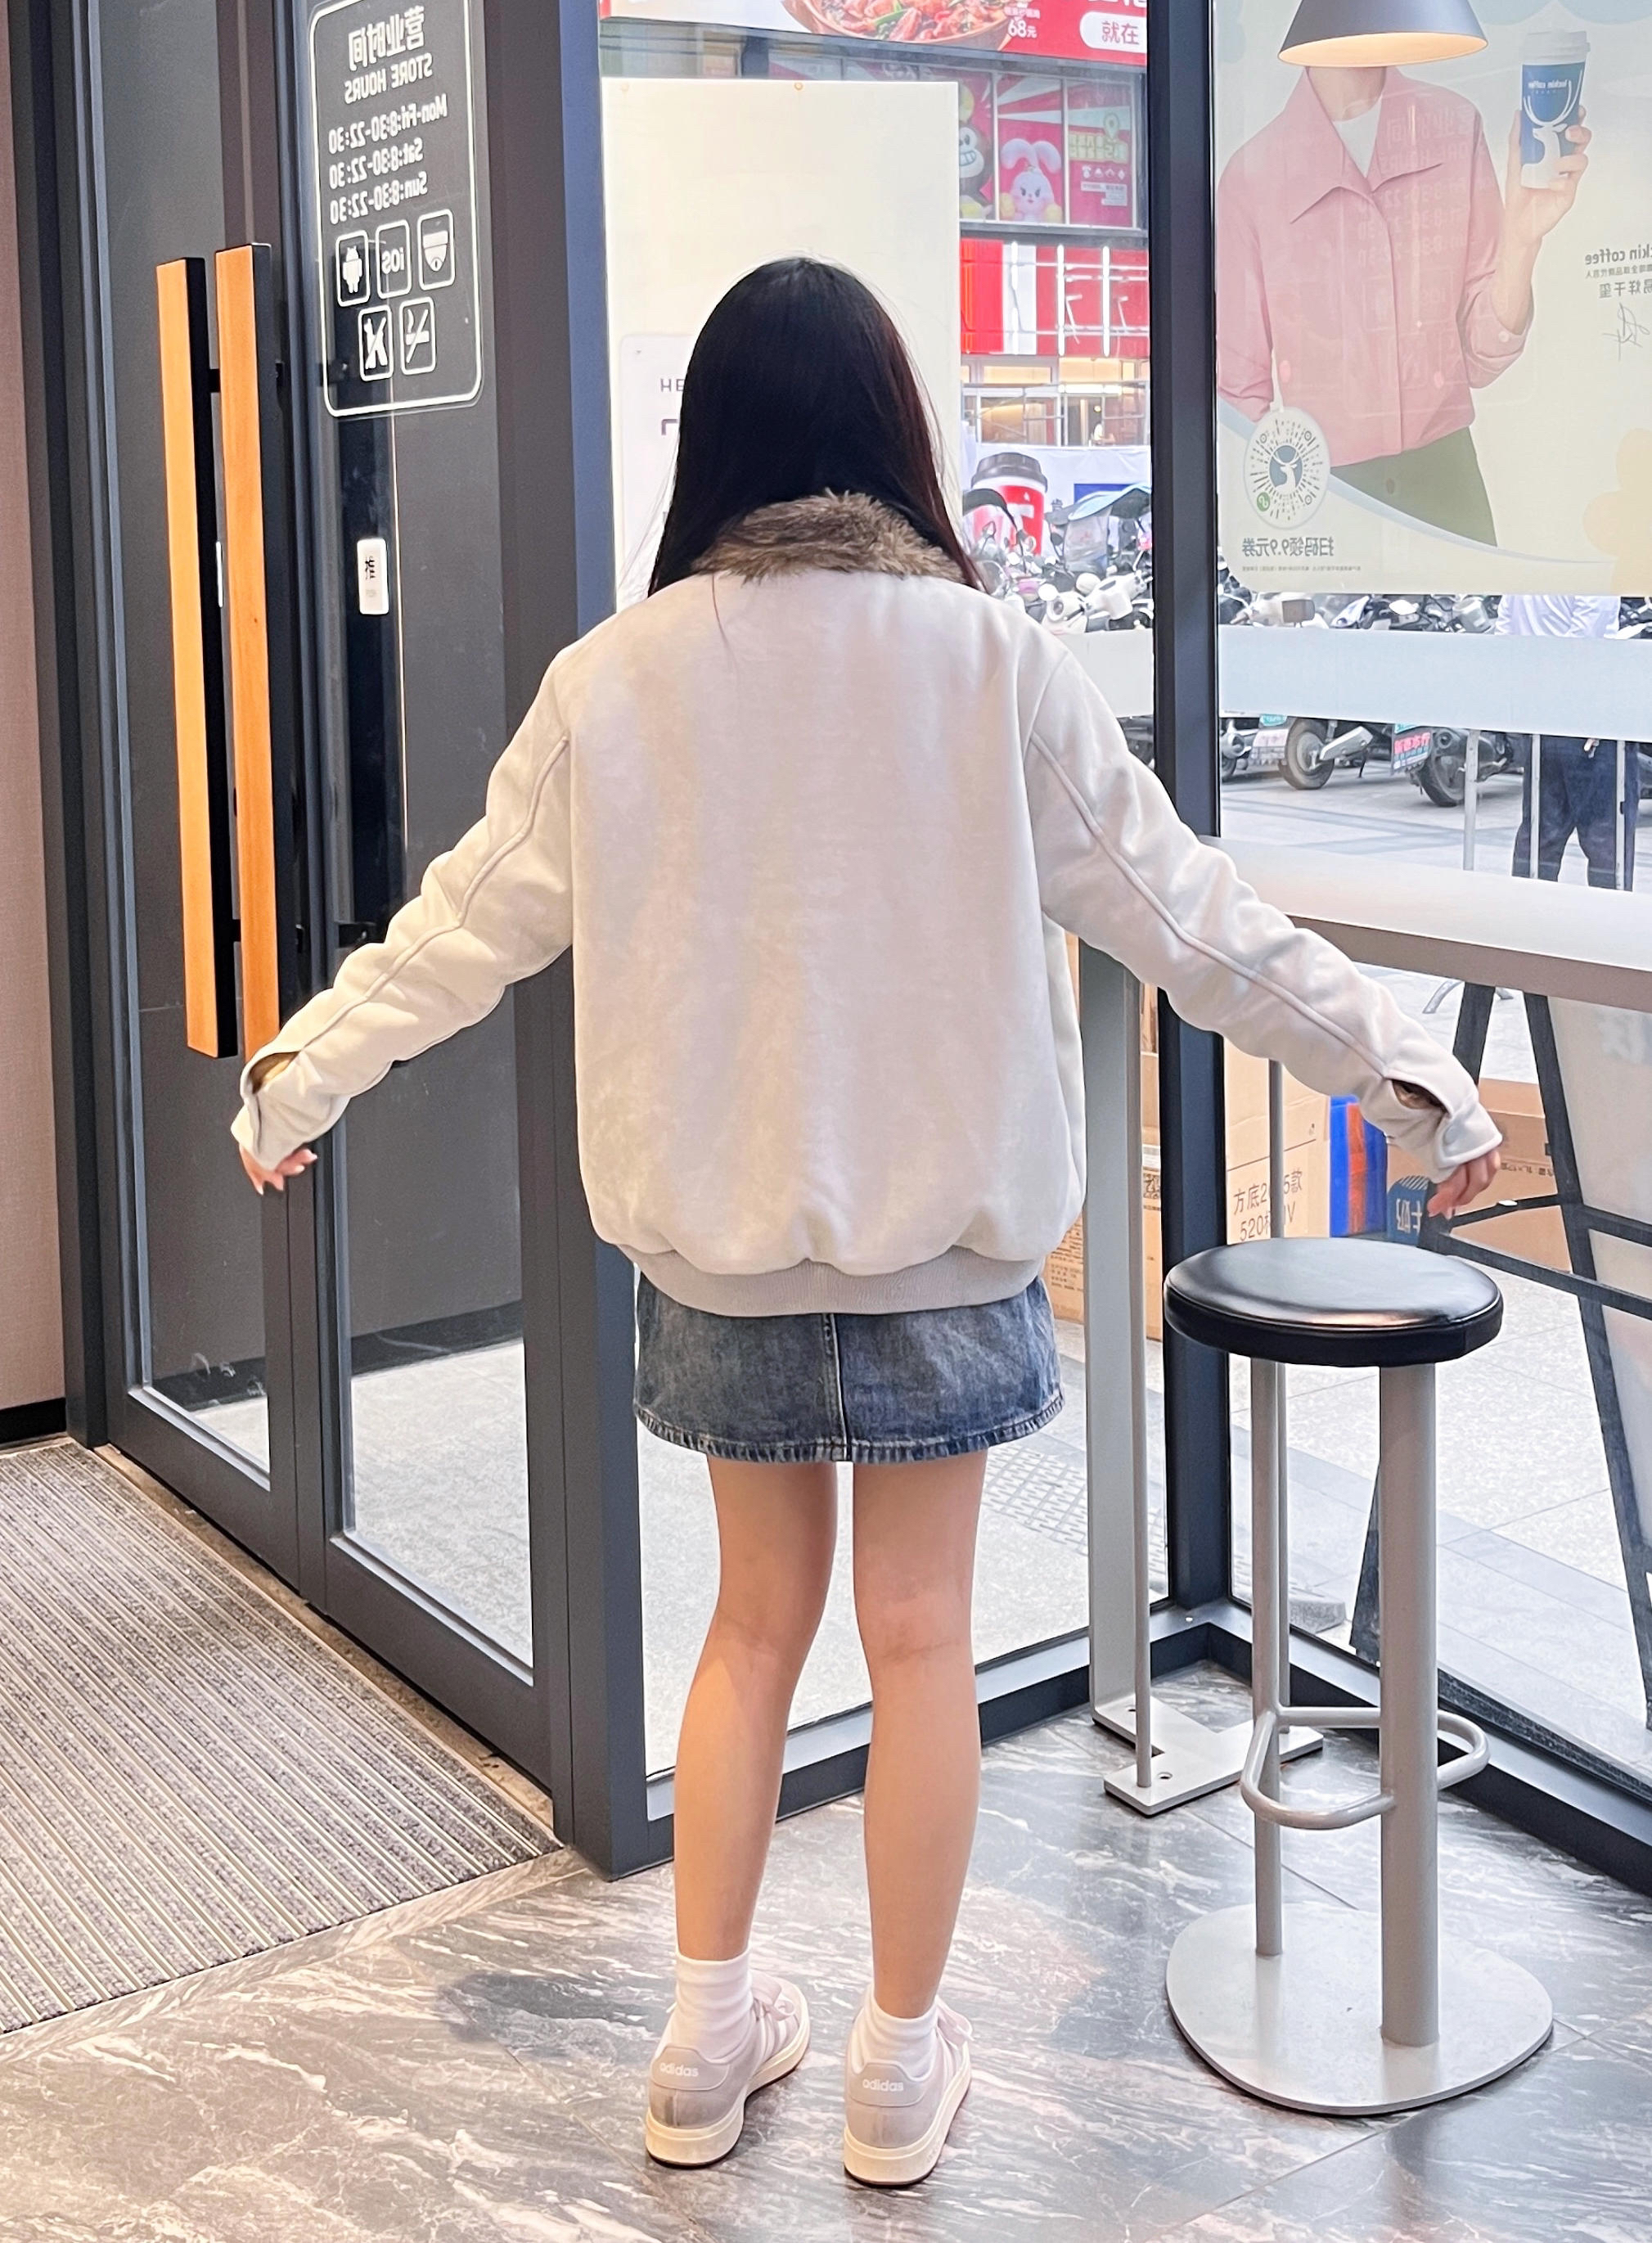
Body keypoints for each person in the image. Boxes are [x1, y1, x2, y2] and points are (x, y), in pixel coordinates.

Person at [232, 259, 1500, 2189]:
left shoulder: (617, 680)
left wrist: (297, 1079)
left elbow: (461, 928)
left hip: (719, 1247)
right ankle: (897, 2067)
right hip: (943, 1244)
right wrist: (1412, 1074)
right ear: (898, 436)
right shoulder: (992, 667)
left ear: (713, 446)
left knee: (749, 1627)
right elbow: (1192, 920)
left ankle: (700, 2035)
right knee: (921, 1642)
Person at [1218, 62, 1589, 542]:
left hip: (1447, 485)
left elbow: (1480, 356)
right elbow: (1240, 394)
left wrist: (1521, 241)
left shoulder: (1453, 125)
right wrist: (1270, 543)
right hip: (1321, 495)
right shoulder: (1253, 175)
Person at [1500, 593, 1636, 889]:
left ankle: (1525, 908)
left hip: (1538, 716)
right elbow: (1584, 644)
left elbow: (1504, 636)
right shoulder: (1595, 578)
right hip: (1588, 719)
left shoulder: (1522, 577)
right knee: (1605, 837)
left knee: (1541, 833)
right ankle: (1608, 913)